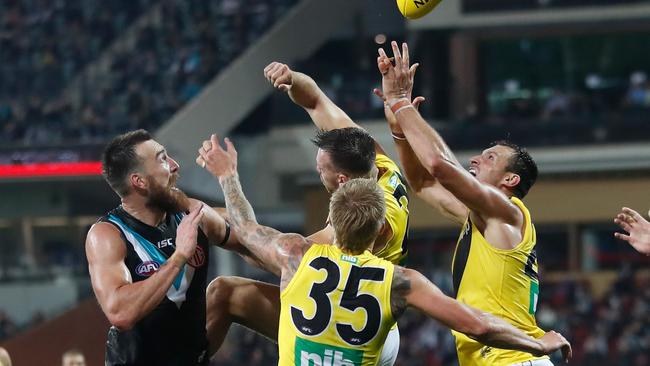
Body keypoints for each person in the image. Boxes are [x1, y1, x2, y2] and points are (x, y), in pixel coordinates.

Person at [198, 134, 571, 366]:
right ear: (379, 229)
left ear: (332, 222)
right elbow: (476, 324)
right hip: (385, 336)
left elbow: (244, 230)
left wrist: (227, 176)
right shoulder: (401, 281)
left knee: (223, 290)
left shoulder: (298, 255)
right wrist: (536, 343)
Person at [204, 63, 412, 363]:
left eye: (320, 171)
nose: (318, 174)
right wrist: (292, 80)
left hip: (357, 328)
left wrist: (227, 231)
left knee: (226, 291)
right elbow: (315, 100)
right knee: (224, 292)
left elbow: (285, 262)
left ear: (342, 180)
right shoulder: (376, 163)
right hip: (361, 312)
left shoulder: (361, 221)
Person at [377, 41, 553, 365]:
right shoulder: (483, 219)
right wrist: (397, 129)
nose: (475, 158)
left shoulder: (507, 212)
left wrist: (401, 102)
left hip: (512, 359)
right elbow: (423, 182)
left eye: (490, 157)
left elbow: (438, 166)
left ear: (510, 180)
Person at [85, 129, 235, 366]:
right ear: (139, 181)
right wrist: (179, 257)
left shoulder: (192, 212)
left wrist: (229, 178)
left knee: (232, 291)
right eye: (163, 159)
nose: (175, 166)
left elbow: (250, 239)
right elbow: (120, 313)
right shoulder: (108, 234)